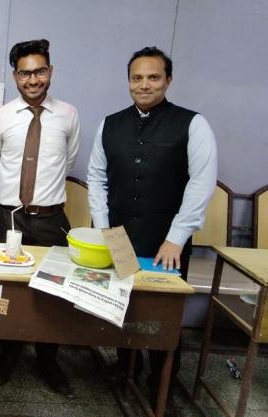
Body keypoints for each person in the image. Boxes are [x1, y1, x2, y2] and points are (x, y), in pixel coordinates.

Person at [87, 46, 217, 416]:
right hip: (119, 235)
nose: (144, 85)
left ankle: (163, 379)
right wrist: (104, 230)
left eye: (153, 77)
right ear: (129, 81)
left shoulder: (193, 124)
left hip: (166, 240)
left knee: (163, 313)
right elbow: (96, 178)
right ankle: (126, 365)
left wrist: (177, 236)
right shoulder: (110, 124)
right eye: (137, 78)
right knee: (122, 304)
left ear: (168, 80)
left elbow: (202, 183)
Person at [0, 39, 80, 397]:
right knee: (9, 290)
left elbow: (68, 161)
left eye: (39, 71)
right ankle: (8, 352)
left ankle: (47, 358)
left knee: (53, 292)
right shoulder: (0, 117)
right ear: (15, 76)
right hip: (8, 216)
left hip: (50, 217)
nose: (33, 80)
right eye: (25, 73)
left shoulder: (68, 115)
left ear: (50, 71)